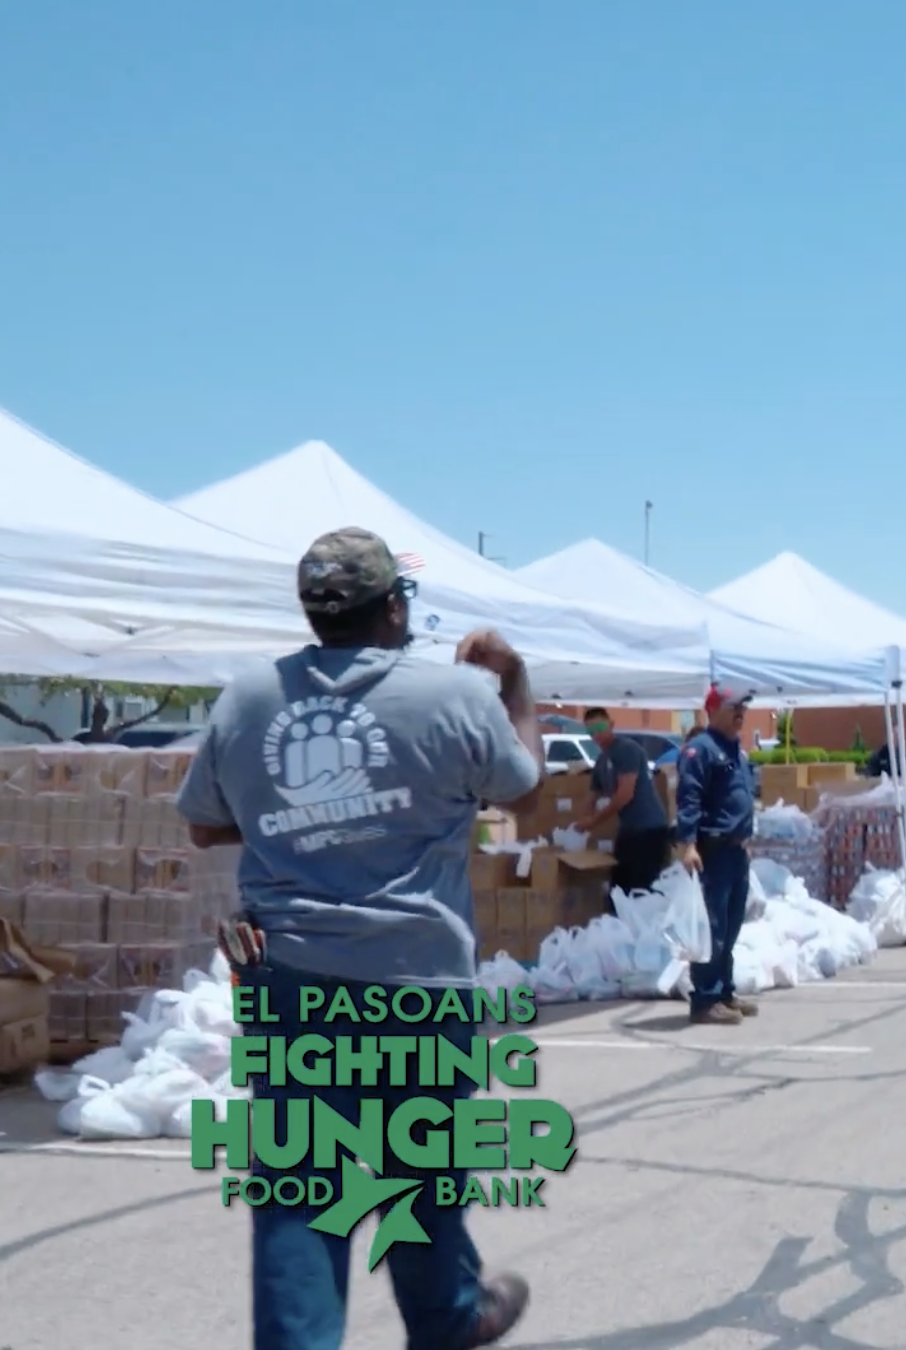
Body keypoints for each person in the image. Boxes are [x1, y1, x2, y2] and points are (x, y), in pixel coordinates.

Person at [175, 526, 540, 1350]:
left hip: (290, 978)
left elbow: (202, 828)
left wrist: (293, 821)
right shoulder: (456, 698)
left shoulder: (248, 700)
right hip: (418, 980)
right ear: (395, 609)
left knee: (300, 1191)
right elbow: (521, 788)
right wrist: (514, 685)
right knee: (422, 1168)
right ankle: (448, 1320)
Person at [675, 683, 761, 1026]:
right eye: (734, 708)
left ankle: (724, 991)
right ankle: (705, 999)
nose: (741, 714)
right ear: (714, 711)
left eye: (744, 708)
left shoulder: (736, 751)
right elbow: (689, 799)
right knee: (712, 928)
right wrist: (688, 844)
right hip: (712, 850)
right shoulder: (701, 750)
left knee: (731, 924)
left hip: (736, 852)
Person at [575, 707, 672, 895]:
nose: (597, 734)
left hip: (649, 829)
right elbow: (592, 795)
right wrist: (581, 822)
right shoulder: (602, 761)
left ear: (611, 725)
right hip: (629, 829)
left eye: (600, 727)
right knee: (619, 885)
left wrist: (593, 821)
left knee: (642, 887)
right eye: (591, 731)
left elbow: (625, 794)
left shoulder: (627, 749)